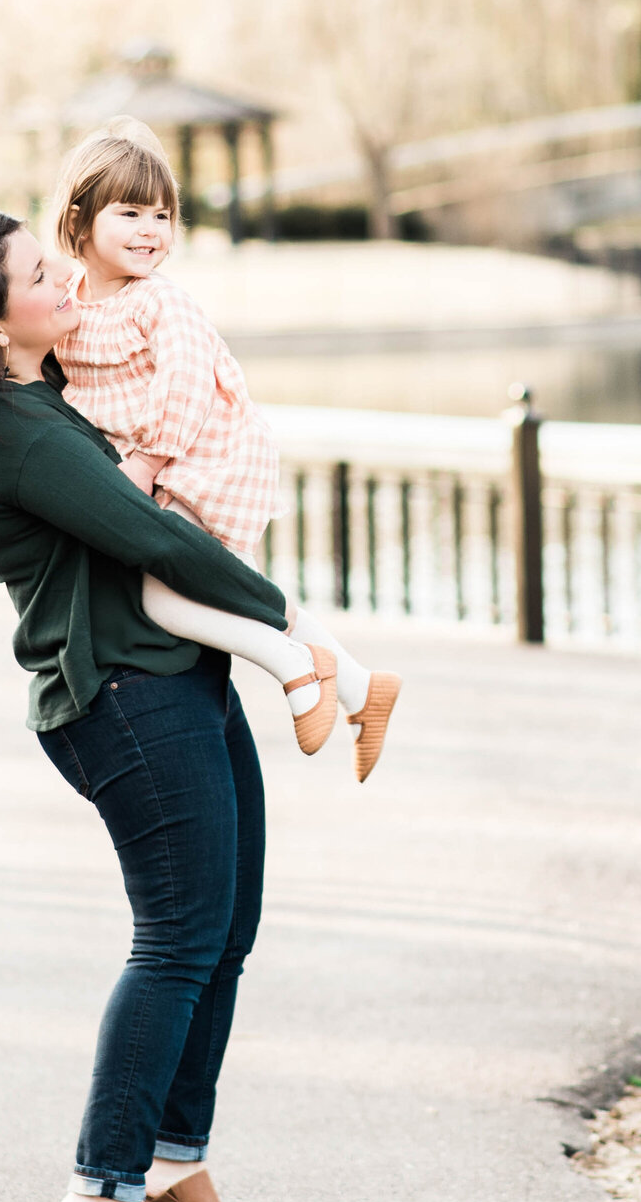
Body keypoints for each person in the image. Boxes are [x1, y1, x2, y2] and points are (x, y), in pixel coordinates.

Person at [0, 208, 288, 1202]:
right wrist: (282, 622)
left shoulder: (50, 397)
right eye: (39, 275)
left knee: (225, 929)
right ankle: (101, 1194)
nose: (66, 282)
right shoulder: (12, 432)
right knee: (177, 939)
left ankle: (171, 1165)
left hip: (175, 675)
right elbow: (149, 536)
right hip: (122, 697)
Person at [50, 123, 400, 782]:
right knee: (234, 586)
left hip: (200, 455)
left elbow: (186, 383)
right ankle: (359, 686)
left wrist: (149, 463)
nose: (151, 228)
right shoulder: (73, 300)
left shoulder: (160, 300)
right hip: (157, 465)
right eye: (129, 212)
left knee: (173, 595)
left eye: (163, 215)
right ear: (80, 219)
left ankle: (297, 667)